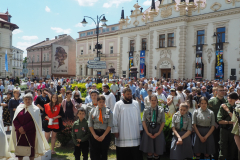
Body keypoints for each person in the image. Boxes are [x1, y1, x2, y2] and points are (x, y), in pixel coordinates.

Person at [8, 93, 50, 160]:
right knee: (20, 150)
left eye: (29, 99)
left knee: (31, 150)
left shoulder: (35, 109)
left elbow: (34, 122)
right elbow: (15, 119)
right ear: (23, 100)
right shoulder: (19, 108)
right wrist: (19, 128)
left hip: (30, 133)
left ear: (32, 100)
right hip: (19, 133)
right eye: (26, 99)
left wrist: (24, 128)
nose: (27, 101)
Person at [112, 87, 143, 160]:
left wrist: (140, 127)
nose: (130, 95)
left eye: (130, 94)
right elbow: (114, 118)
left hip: (134, 132)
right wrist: (115, 131)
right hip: (123, 132)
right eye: (128, 94)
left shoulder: (135, 103)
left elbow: (138, 116)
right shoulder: (118, 104)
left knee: (135, 152)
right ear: (123, 94)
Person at [140, 94, 166, 160]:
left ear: (157, 100)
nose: (153, 101)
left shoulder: (161, 110)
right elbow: (143, 121)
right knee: (149, 151)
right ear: (149, 100)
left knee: (157, 150)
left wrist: (159, 132)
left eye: (155, 100)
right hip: (148, 130)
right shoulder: (146, 110)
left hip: (158, 129)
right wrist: (147, 132)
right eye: (152, 100)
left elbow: (163, 122)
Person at [88, 95, 113, 160]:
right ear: (97, 101)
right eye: (100, 102)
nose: (102, 103)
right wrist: (94, 135)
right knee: (95, 154)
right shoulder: (92, 111)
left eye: (103, 102)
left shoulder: (108, 111)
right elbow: (90, 124)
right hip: (95, 134)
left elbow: (110, 124)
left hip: (105, 134)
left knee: (104, 153)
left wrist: (103, 136)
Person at [208, 85, 228, 160]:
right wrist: (213, 123)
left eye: (223, 90)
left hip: (224, 125)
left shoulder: (226, 101)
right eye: (220, 90)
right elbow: (208, 113)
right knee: (215, 142)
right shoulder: (211, 102)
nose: (222, 92)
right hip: (215, 125)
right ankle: (215, 157)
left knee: (223, 142)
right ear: (216, 92)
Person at [217, 92, 239, 160]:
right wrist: (231, 122)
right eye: (228, 98)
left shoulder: (237, 107)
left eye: (230, 98)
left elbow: (236, 120)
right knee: (223, 148)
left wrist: (228, 110)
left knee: (233, 149)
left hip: (234, 131)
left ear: (235, 100)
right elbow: (219, 121)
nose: (228, 99)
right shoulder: (223, 106)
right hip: (224, 130)